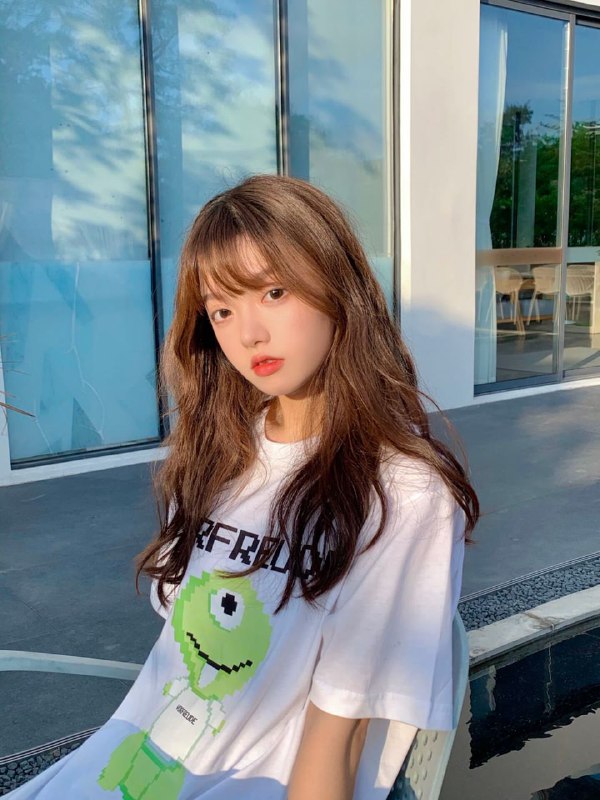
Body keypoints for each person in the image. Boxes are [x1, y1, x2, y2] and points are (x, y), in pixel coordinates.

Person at [8, 175, 479, 800]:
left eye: (274, 292)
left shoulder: (402, 494)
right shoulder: (222, 454)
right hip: (124, 765)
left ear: (338, 285)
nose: (247, 334)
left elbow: (337, 741)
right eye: (222, 310)